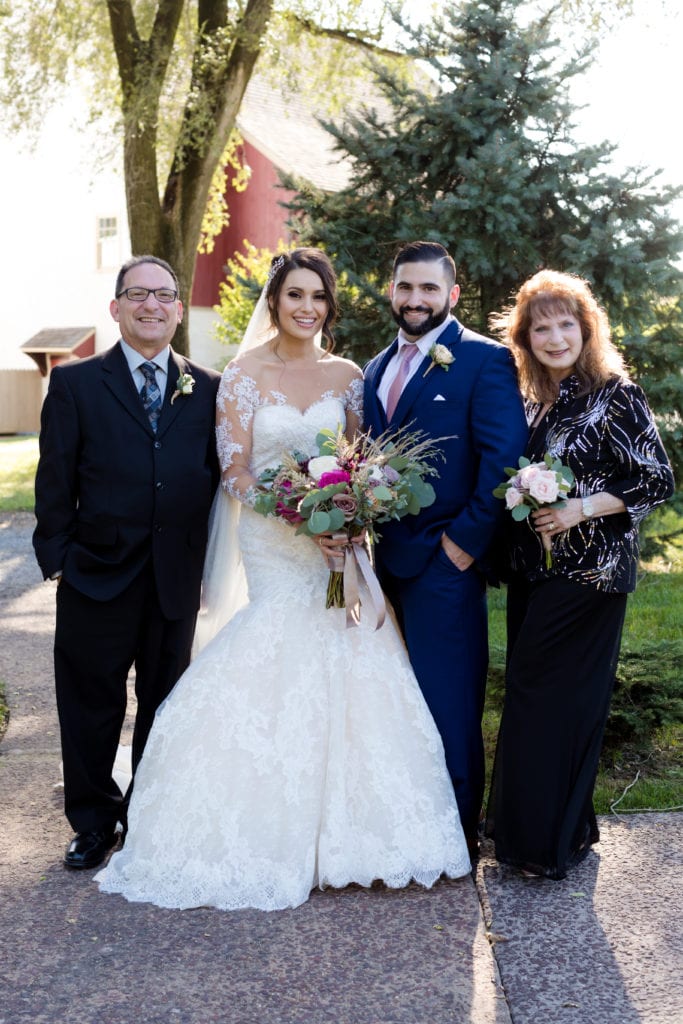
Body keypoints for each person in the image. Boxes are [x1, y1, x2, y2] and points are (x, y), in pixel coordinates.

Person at [95, 248, 471, 911]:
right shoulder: (242, 375)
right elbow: (234, 468)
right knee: (271, 643)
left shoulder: (348, 376)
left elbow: (361, 461)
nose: (306, 308)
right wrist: (298, 512)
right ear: (274, 301)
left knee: (350, 650)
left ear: (328, 305)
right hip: (273, 538)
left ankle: (354, 834)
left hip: (336, 547)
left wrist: (350, 515)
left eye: (318, 297)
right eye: (295, 295)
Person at [484, 269, 674, 879]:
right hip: (535, 573)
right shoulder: (533, 398)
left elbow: (656, 477)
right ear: (526, 337)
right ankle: (564, 831)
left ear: (586, 330)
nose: (555, 336)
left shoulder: (614, 393)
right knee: (540, 696)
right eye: (541, 327)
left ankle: (538, 846)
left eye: (567, 324)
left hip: (591, 573)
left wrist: (579, 507)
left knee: (547, 697)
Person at [33, 255, 221, 871]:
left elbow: (217, 479)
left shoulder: (210, 388)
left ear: (176, 309)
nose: (152, 306)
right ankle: (92, 821)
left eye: (165, 296)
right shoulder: (77, 384)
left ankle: (148, 816)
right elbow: (55, 479)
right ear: (116, 307)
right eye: (137, 294)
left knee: (164, 704)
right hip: (95, 573)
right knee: (90, 702)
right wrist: (58, 558)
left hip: (175, 577)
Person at [363, 241, 528, 858]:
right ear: (392, 290)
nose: (415, 300)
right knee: (395, 699)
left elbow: (504, 459)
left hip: (444, 563)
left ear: (452, 295)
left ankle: (456, 832)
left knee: (450, 700)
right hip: (380, 565)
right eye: (406, 287)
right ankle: (407, 821)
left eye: (429, 289)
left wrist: (461, 547)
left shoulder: (484, 361)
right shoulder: (376, 368)